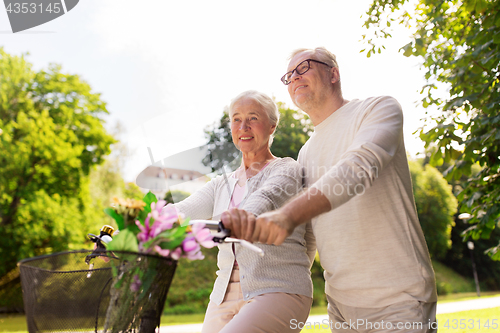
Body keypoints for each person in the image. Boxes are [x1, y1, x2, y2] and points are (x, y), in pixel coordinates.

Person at [222, 48, 438, 333]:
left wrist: (287, 215)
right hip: (341, 308)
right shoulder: (306, 153)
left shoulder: (377, 109)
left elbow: (358, 168)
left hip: (397, 298)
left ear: (333, 73)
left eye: (304, 68)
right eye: (288, 76)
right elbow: (309, 235)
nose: (294, 77)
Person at [172, 90, 315, 333]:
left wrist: (243, 216)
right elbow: (180, 210)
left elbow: (267, 196)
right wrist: (131, 226)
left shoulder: (286, 169)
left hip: (278, 287)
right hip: (222, 295)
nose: (244, 126)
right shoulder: (220, 184)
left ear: (271, 126)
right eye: (237, 119)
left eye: (253, 118)